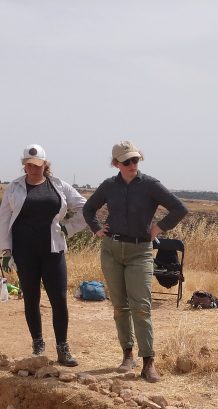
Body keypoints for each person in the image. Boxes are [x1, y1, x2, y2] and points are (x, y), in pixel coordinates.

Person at [83, 140, 188, 383]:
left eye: (135, 160)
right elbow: (89, 209)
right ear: (115, 163)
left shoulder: (150, 185)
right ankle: (127, 355)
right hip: (111, 250)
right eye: (126, 161)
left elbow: (179, 208)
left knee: (142, 306)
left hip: (140, 251)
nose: (132, 164)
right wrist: (97, 229)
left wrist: (158, 228)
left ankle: (148, 362)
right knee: (120, 306)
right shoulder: (108, 186)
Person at [0, 144, 88, 366]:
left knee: (59, 300)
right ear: (24, 165)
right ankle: (38, 345)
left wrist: (70, 227)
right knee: (31, 299)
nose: (33, 168)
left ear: (45, 164)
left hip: (53, 250)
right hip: (24, 252)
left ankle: (63, 348)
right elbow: (3, 220)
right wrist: (6, 251)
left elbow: (86, 208)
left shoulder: (58, 185)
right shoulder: (14, 187)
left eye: (37, 164)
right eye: (28, 164)